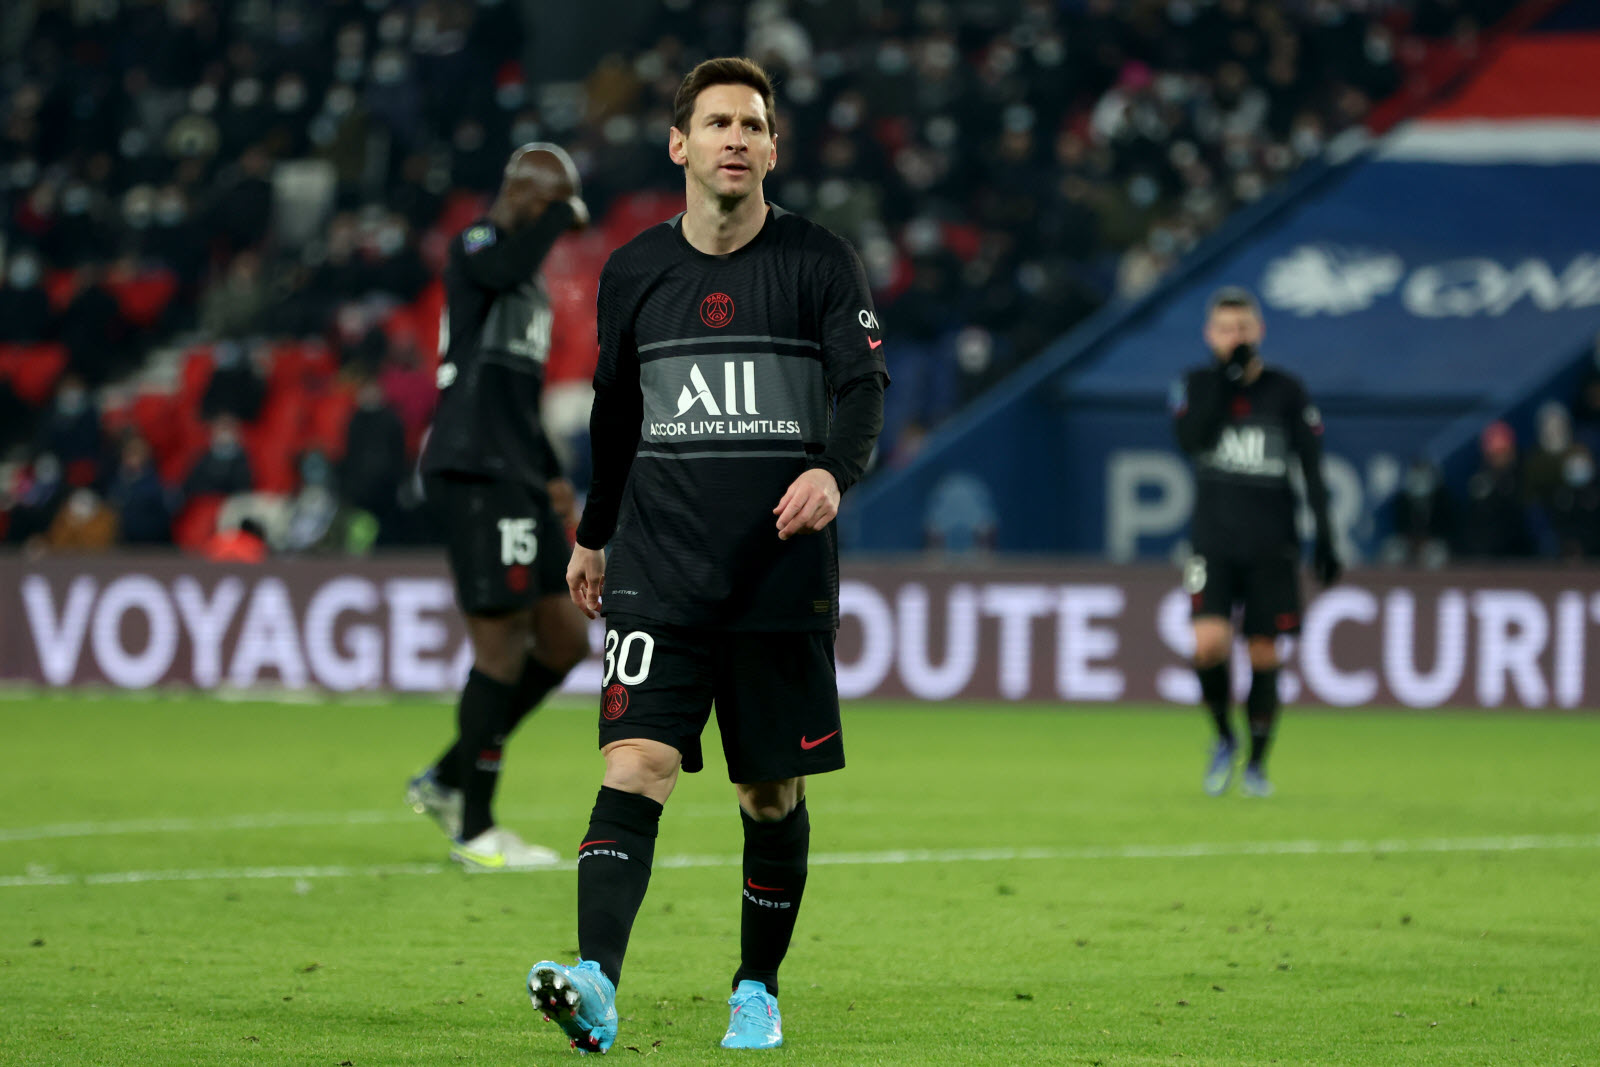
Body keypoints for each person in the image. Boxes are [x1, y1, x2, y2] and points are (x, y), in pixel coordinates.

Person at [526, 57, 887, 1054]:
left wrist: (832, 473)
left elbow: (862, 390)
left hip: (778, 576)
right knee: (635, 761)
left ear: (774, 147)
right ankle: (595, 979)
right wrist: (595, 531)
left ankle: (755, 986)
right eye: (718, 121)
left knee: (767, 792)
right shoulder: (636, 269)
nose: (737, 136)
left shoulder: (820, 262)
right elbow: (615, 416)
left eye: (753, 123)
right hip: (658, 568)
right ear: (680, 144)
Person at [406, 142, 595, 871]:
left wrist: (551, 473)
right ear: (522, 192)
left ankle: (452, 774)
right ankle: (475, 828)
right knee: (501, 644)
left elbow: (519, 396)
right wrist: (555, 216)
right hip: (474, 467)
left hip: (517, 470)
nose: (560, 223)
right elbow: (501, 262)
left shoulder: (530, 288)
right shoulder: (480, 244)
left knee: (562, 641)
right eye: (550, 202)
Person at [1171, 287, 1340, 798]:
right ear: (1209, 335)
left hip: (1272, 544)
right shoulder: (1196, 384)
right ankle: (1223, 738)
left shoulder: (1287, 390)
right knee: (1208, 645)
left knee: (1264, 651)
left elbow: (1310, 469)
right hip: (1214, 542)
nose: (1235, 337)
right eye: (1226, 329)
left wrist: (1326, 539)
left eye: (1243, 328)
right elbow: (1191, 440)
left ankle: (1257, 764)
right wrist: (1226, 384)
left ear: (1260, 330)